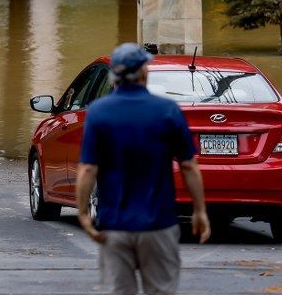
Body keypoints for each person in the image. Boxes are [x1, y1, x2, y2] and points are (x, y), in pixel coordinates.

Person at [76, 43, 209, 295]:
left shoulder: (98, 113)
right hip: (159, 224)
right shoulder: (167, 110)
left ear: (113, 75)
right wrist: (199, 210)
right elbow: (189, 165)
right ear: (144, 73)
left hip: (115, 226)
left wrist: (83, 213)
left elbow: (88, 169)